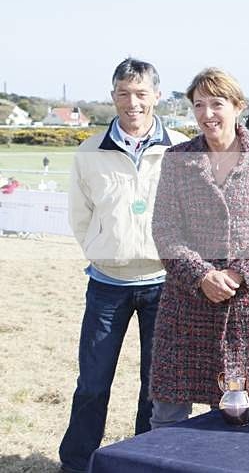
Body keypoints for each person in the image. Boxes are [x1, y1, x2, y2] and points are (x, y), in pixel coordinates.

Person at [60, 58, 188, 473]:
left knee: (155, 388)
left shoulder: (182, 147)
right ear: (112, 95)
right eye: (123, 93)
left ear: (157, 95)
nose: (132, 102)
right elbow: (81, 218)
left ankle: (143, 460)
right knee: (93, 385)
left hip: (166, 285)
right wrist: (103, 251)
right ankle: (77, 463)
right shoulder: (89, 151)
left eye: (140, 93)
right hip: (106, 285)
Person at [149, 68, 249, 428]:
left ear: (237, 106)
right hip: (185, 303)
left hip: (247, 305)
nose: (207, 113)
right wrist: (202, 275)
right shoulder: (177, 158)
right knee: (167, 414)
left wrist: (238, 271)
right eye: (199, 104)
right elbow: (165, 229)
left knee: (240, 413)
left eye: (217, 103)